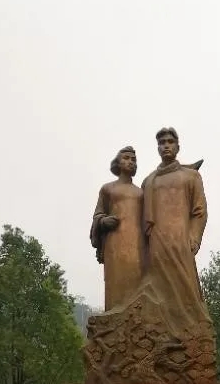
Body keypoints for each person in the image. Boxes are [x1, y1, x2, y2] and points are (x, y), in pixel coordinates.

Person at [141, 128, 212, 331]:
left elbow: (199, 211)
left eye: (170, 142)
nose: (166, 146)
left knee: (185, 285)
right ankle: (162, 332)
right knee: (158, 288)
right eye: (161, 143)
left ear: (177, 147)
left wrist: (194, 237)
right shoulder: (148, 181)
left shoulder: (190, 177)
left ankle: (193, 332)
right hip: (156, 242)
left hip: (180, 241)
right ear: (157, 148)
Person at [90, 146, 144, 311]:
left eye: (133, 159)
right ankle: (113, 316)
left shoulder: (141, 193)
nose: (130, 162)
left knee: (137, 280)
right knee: (115, 280)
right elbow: (98, 214)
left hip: (137, 243)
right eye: (126, 158)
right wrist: (103, 221)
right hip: (115, 243)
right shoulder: (108, 189)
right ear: (118, 162)